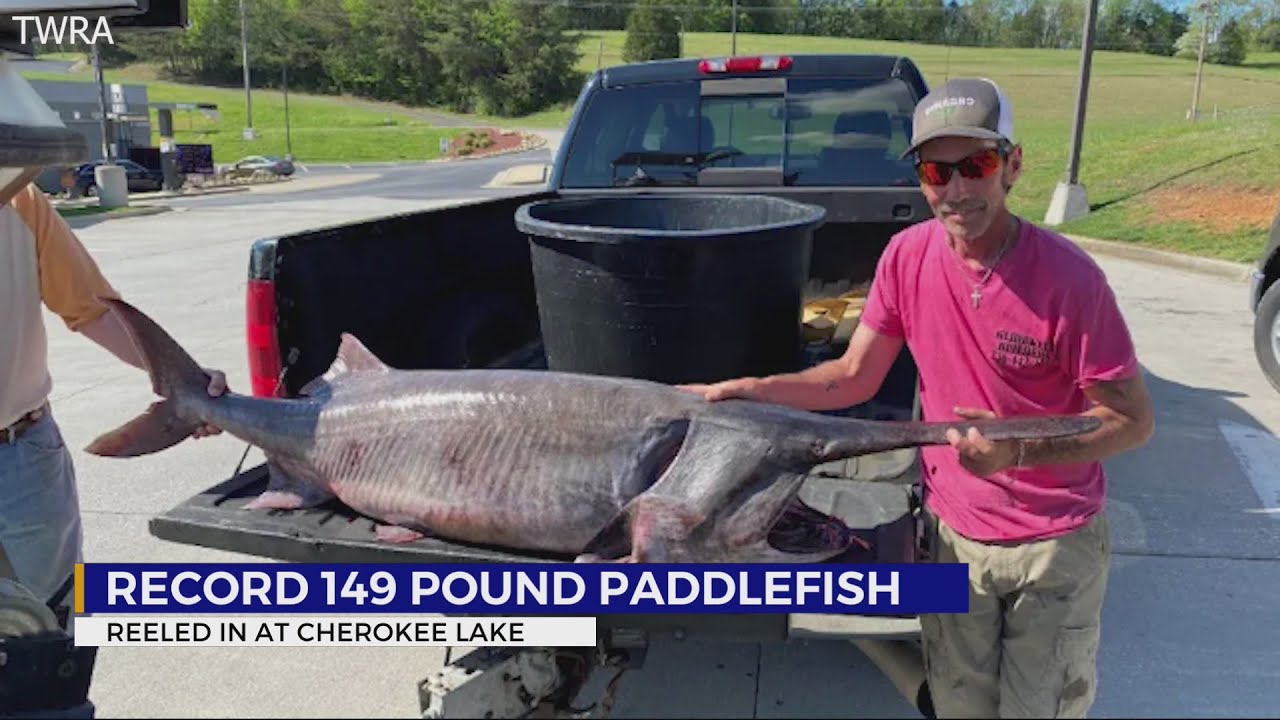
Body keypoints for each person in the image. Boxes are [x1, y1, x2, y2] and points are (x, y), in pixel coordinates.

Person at [679, 78, 1156, 718]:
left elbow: (1131, 423)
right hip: (952, 535)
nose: (956, 189)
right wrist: (749, 392)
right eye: (937, 170)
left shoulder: (1070, 279)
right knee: (958, 707)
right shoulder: (907, 256)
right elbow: (853, 377)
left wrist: (1017, 452)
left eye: (976, 165)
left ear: (1012, 165)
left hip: (1053, 548)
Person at [0, 179, 227, 629]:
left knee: (54, 616)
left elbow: (93, 309)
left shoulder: (19, 197)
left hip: (20, 448)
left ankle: (54, 696)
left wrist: (185, 382)